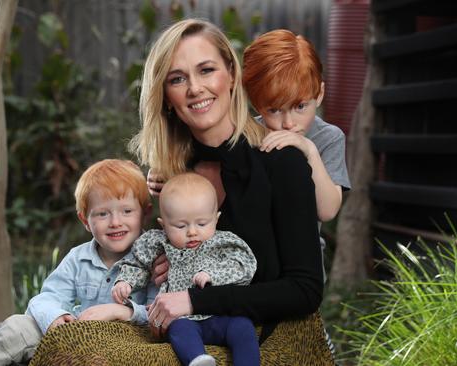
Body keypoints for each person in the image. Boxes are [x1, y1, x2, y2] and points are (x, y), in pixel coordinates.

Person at [128, 17, 326, 355]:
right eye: (178, 79)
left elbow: (305, 289)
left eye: (206, 70)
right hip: (188, 339)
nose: (195, 88)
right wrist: (165, 262)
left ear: (231, 76)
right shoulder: (173, 174)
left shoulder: (281, 162)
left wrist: (194, 299)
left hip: (267, 341)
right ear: (165, 97)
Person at [0, 159, 157, 366]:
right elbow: (47, 297)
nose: (115, 222)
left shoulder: (155, 259)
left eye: (127, 211)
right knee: (17, 326)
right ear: (85, 221)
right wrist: (56, 317)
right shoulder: (78, 258)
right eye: (102, 214)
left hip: (125, 340)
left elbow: (159, 311)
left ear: (145, 214)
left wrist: (123, 311)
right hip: (72, 333)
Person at [112, 172, 259, 366]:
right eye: (180, 226)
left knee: (243, 328)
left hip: (222, 315)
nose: (192, 232)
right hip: (183, 318)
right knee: (178, 330)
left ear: (216, 219)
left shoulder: (223, 242)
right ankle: (198, 360)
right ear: (163, 225)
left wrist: (212, 274)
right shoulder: (158, 242)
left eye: (202, 223)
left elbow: (245, 265)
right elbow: (139, 264)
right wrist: (126, 281)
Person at [243, 29, 352, 284]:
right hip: (248, 266)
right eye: (274, 110)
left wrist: (309, 150)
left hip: (301, 270)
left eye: (300, 106)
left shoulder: (328, 138)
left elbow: (327, 210)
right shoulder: (249, 135)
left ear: (320, 94)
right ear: (257, 104)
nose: (289, 122)